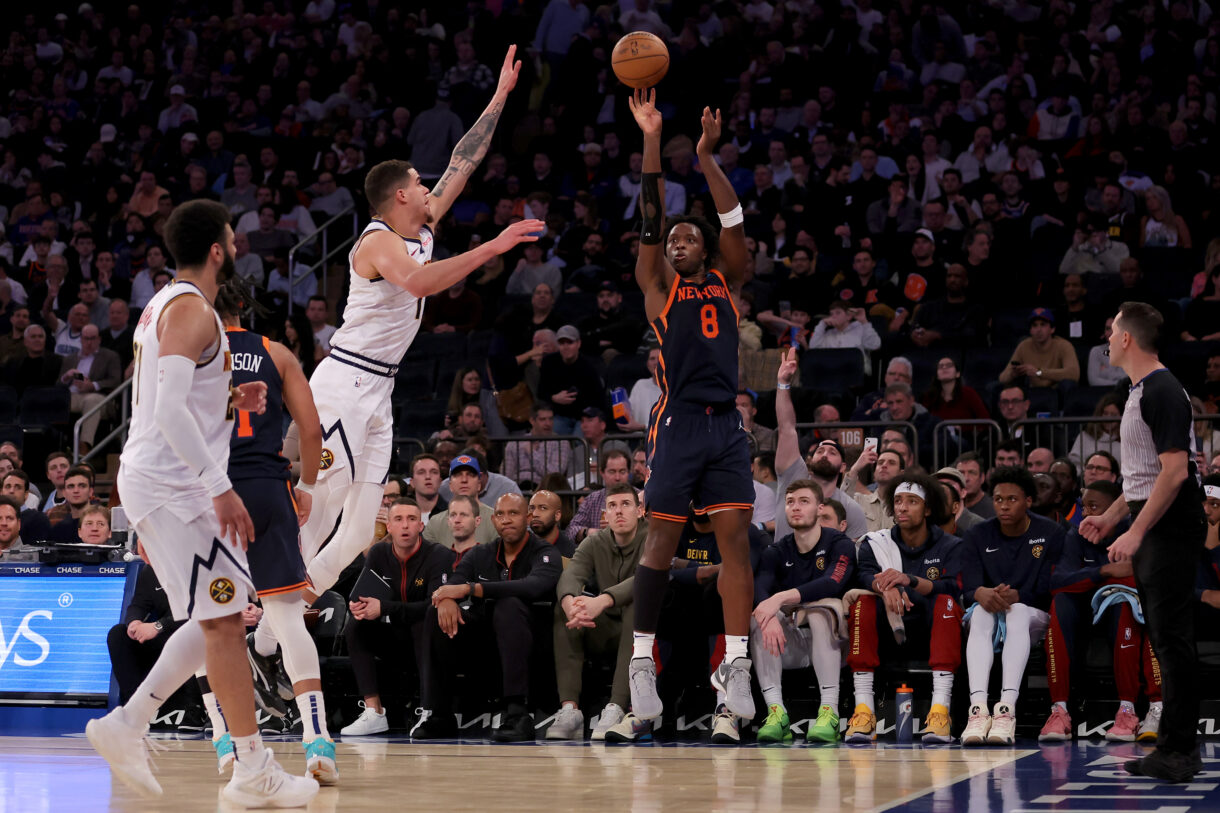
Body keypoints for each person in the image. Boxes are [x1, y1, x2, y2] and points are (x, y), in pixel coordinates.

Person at [263, 47, 536, 637]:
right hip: (343, 384)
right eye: (417, 181)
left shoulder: (424, 221)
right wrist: (494, 246)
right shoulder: (379, 243)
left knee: (364, 530)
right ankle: (260, 623)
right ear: (399, 197)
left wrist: (501, 96)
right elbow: (418, 282)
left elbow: (465, 159)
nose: (427, 183)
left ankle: (273, 627)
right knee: (319, 512)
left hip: (378, 389)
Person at [85, 200, 316, 806]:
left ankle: (128, 724)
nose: (237, 242)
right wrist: (220, 486)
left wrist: (233, 394)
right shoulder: (192, 311)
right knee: (222, 625)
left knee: (218, 616)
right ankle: (252, 770)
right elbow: (165, 411)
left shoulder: (167, 303)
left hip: (162, 479)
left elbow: (176, 392)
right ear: (219, 247)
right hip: (176, 484)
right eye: (231, 236)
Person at [625, 89, 757, 727]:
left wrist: (707, 158)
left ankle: (737, 668)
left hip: (726, 426)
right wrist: (652, 138)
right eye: (669, 239)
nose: (674, 242)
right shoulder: (659, 287)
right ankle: (641, 664)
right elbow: (651, 216)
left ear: (702, 248)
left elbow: (733, 224)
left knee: (735, 545)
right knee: (662, 537)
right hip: (678, 423)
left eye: (686, 237)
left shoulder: (728, 281)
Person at [209, 281, 335, 783]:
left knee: (207, 622)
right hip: (268, 488)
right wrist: (306, 485)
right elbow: (312, 431)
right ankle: (318, 741)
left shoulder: (192, 355)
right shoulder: (276, 352)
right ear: (244, 307)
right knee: (287, 619)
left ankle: (226, 741)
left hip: (214, 493)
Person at [1081, 302, 1207, 782]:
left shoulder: (1161, 389)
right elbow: (1143, 476)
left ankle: (1179, 751)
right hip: (1158, 526)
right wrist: (1113, 517)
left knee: (1173, 640)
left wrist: (1136, 531)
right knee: (1167, 638)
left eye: (1111, 330)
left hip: (1171, 529)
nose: (1108, 338)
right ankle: (1176, 748)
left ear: (1127, 338)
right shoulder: (1139, 390)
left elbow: (1176, 471)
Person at [428, 493, 562, 741]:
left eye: (514, 513)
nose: (506, 520)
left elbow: (533, 586)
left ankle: (518, 715)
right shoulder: (481, 554)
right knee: (435, 613)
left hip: (534, 645)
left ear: (528, 517)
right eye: (500, 514)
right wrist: (446, 599)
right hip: (485, 644)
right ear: (493, 520)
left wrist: (472, 589)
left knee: (508, 605)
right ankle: (440, 714)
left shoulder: (545, 553)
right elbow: (456, 582)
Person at [1038, 480, 1162, 743]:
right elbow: (1058, 582)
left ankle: (1127, 711)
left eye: (1094, 507)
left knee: (1125, 602)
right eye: (1084, 507)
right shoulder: (1076, 535)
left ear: (1117, 511)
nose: (1087, 514)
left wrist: (1095, 578)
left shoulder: (1135, 533)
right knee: (1060, 602)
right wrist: (1104, 571)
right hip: (1083, 612)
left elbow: (1141, 580)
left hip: (1124, 613)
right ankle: (1059, 710)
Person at [846, 471, 964, 744]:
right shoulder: (876, 542)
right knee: (862, 603)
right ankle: (863, 711)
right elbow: (863, 574)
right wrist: (885, 587)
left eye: (912, 501)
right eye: (898, 500)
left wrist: (908, 581)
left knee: (946, 603)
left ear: (928, 509)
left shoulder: (950, 545)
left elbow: (953, 588)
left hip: (930, 631)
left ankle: (940, 711)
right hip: (887, 631)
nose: (902, 507)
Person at [959, 466, 1065, 746]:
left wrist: (1019, 596)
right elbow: (968, 588)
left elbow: (1050, 587)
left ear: (1028, 501)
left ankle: (1006, 710)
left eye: (1012, 499)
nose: (1003, 506)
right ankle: (978, 711)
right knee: (982, 611)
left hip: (1032, 614)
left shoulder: (1051, 532)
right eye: (998, 499)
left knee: (1016, 612)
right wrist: (981, 592)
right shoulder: (977, 534)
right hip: (988, 614)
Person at [339, 498, 456, 738]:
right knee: (356, 625)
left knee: (424, 620)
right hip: (396, 641)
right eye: (398, 520)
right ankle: (374, 711)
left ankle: (430, 710)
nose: (405, 526)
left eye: (412, 519)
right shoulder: (379, 553)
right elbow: (367, 596)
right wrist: (359, 607)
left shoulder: (439, 555)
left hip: (434, 643)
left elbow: (432, 606)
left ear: (421, 526)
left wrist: (384, 608)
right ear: (388, 527)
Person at [751, 479, 856, 744]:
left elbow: (834, 582)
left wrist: (781, 598)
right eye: (790, 502)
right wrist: (769, 615)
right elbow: (759, 589)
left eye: (804, 501)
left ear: (820, 509)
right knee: (761, 618)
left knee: (821, 610)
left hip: (838, 644)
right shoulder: (776, 550)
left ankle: (829, 712)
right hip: (795, 644)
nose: (795, 508)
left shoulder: (840, 544)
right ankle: (776, 713)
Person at [546, 484, 645, 741]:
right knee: (566, 608)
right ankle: (570, 710)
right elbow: (571, 575)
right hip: (607, 628)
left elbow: (646, 579)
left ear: (640, 510)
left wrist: (603, 600)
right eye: (612, 506)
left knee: (638, 606)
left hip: (648, 630)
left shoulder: (654, 537)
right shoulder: (595, 541)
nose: (619, 511)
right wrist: (570, 603)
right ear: (605, 514)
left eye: (625, 504)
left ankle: (616, 707)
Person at [997, 308, 1081, 390]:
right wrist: (1012, 374)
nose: (1038, 330)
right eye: (1034, 325)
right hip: (1032, 392)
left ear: (1052, 329)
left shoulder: (1064, 345)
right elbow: (1002, 378)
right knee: (995, 386)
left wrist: (1038, 372)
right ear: (1030, 330)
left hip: (1056, 392)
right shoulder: (1024, 345)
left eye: (1043, 324)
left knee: (1068, 384)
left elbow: (1073, 374)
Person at [527, 490, 575, 557]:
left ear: (557, 515)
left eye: (543, 508)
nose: (534, 514)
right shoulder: (520, 548)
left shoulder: (572, 554)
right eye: (531, 508)